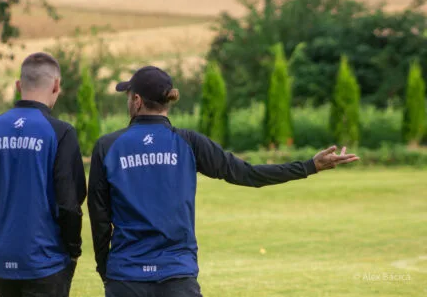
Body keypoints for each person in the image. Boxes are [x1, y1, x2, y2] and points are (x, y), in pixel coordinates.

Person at [87, 65, 359, 297]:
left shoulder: (107, 146)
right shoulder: (188, 143)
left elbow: (99, 217)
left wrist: (106, 270)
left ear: (136, 100)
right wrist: (309, 166)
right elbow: (248, 174)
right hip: (177, 276)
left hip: (125, 276)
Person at [0, 52, 86, 297]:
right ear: (56, 85)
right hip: (46, 261)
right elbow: (70, 204)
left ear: (19, 85)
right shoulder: (61, 132)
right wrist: (73, 249)